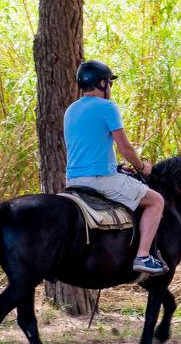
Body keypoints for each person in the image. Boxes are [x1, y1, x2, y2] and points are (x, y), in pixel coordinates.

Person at [63, 60, 167, 274]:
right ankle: (143, 256)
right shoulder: (107, 107)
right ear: (101, 83)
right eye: (109, 82)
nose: (110, 87)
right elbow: (125, 148)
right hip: (101, 180)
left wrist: (117, 167)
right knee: (156, 201)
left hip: (73, 181)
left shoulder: (71, 110)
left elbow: (88, 148)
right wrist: (141, 167)